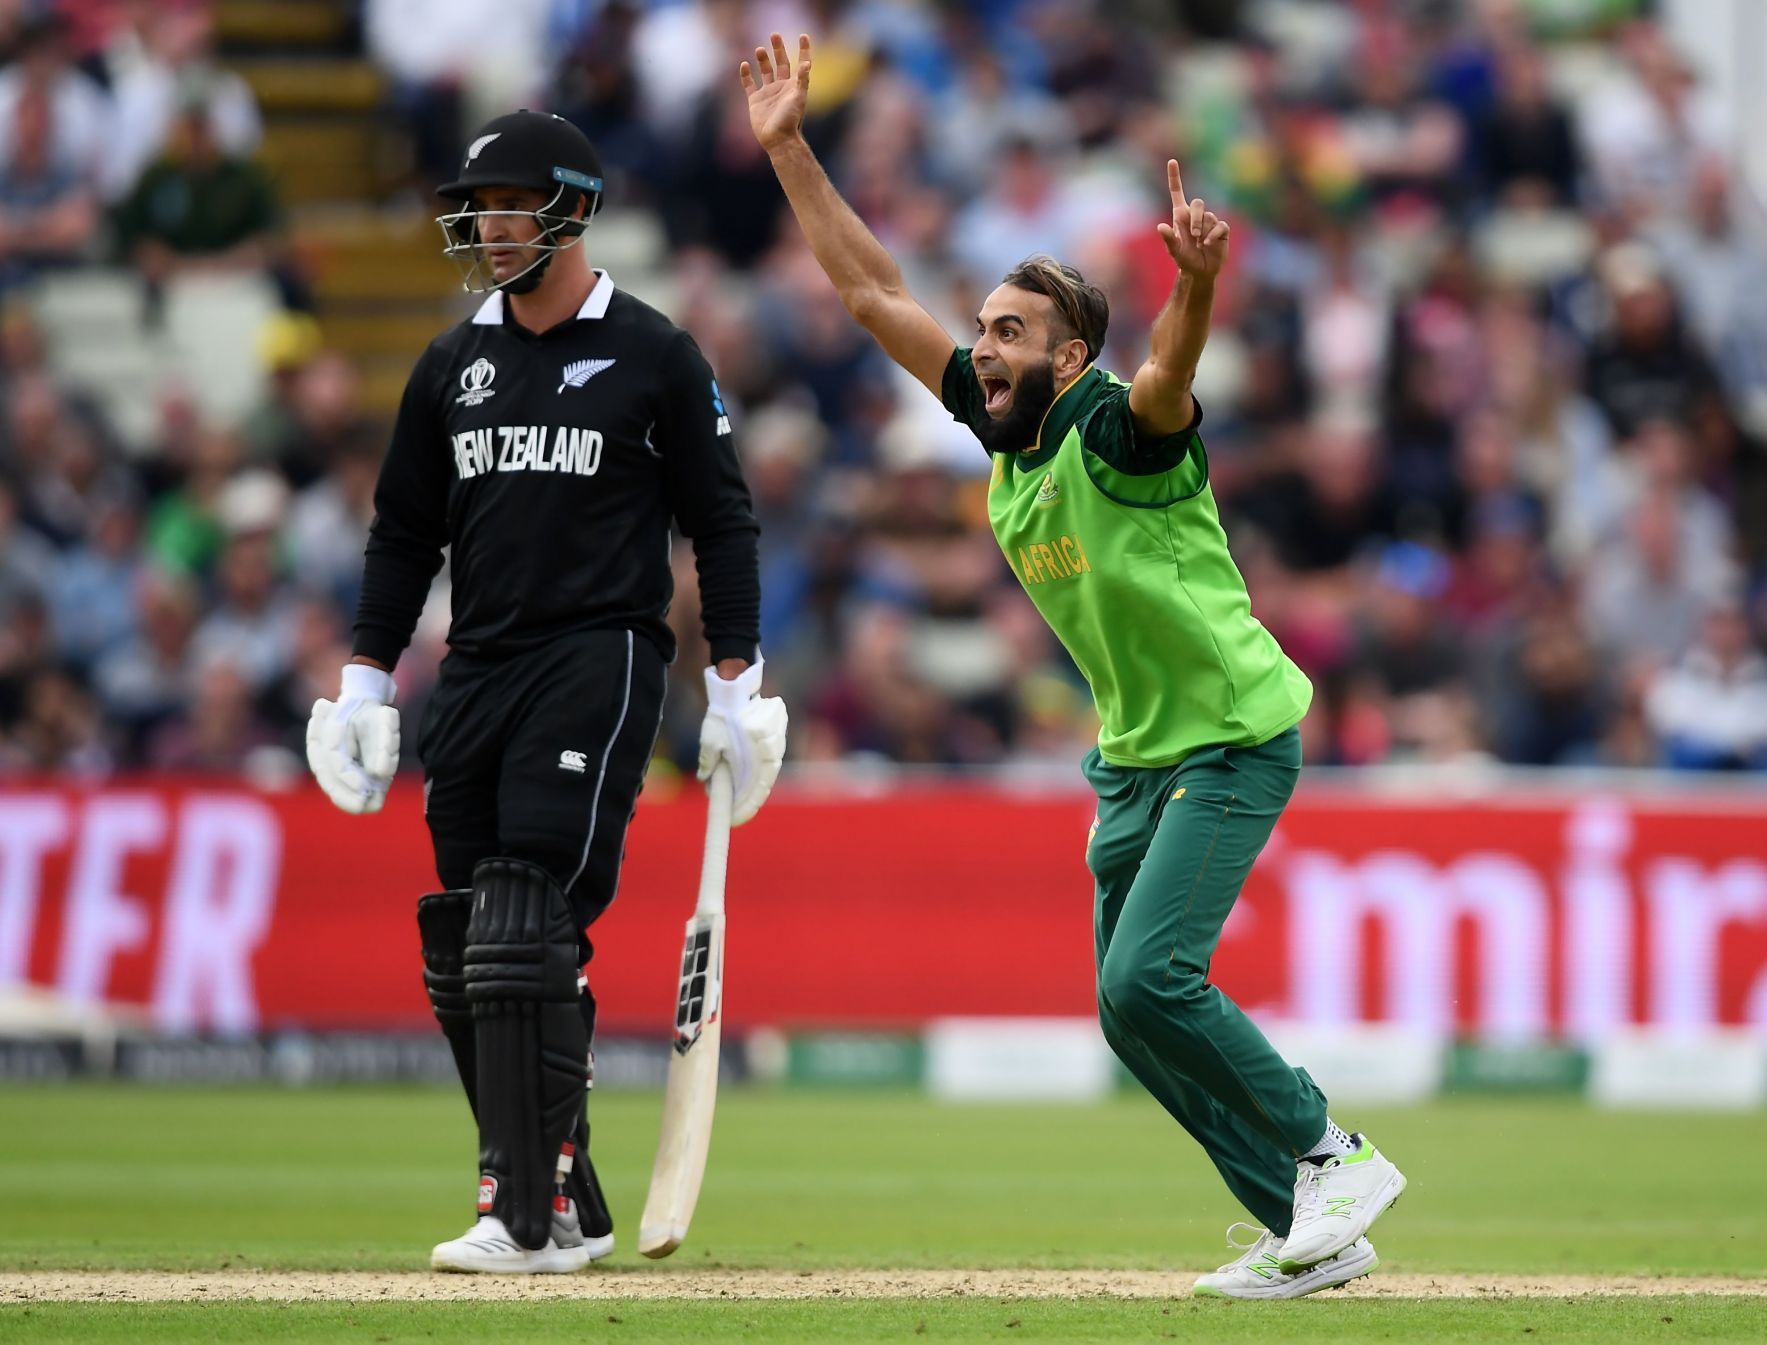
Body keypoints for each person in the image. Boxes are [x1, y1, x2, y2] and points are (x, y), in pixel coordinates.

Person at [743, 34, 1405, 1301]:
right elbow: (875, 294)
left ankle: (1334, 1150)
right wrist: (787, 147)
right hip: (1135, 762)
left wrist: (1197, 289)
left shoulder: (1111, 425)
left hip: (1228, 736)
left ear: (1068, 355)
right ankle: (1304, 1225)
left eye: (1011, 331)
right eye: (984, 329)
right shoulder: (1003, 434)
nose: (981, 348)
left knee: (1154, 975)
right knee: (1128, 1010)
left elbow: (1165, 378)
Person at [303, 110, 788, 1274]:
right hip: (476, 665)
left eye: (513, 208)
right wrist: (365, 681)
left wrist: (736, 685)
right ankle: (567, 1197)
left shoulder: (655, 353)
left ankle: (521, 1216)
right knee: (469, 933)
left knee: (528, 912)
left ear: (572, 209)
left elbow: (721, 522)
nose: (490, 229)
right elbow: (404, 533)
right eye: (479, 211)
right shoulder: (450, 365)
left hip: (601, 657)